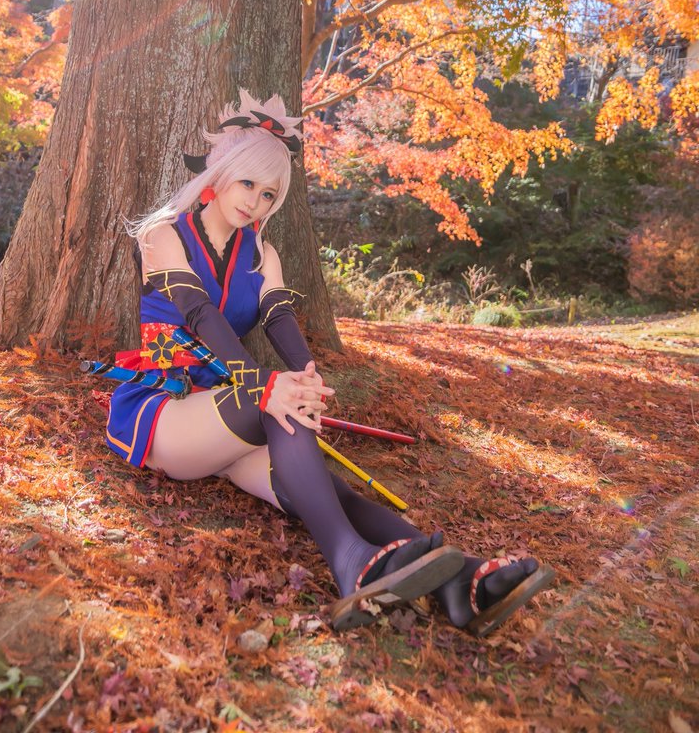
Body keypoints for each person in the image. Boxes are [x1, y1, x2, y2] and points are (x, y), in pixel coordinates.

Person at [104, 88, 554, 633]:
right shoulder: (164, 235)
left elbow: (279, 319)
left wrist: (307, 376)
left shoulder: (261, 253)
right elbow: (198, 313)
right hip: (165, 412)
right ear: (220, 174)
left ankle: (463, 583)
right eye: (248, 184)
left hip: (223, 417)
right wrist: (264, 384)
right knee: (276, 403)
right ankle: (351, 563)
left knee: (323, 489)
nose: (255, 202)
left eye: (269, 194)